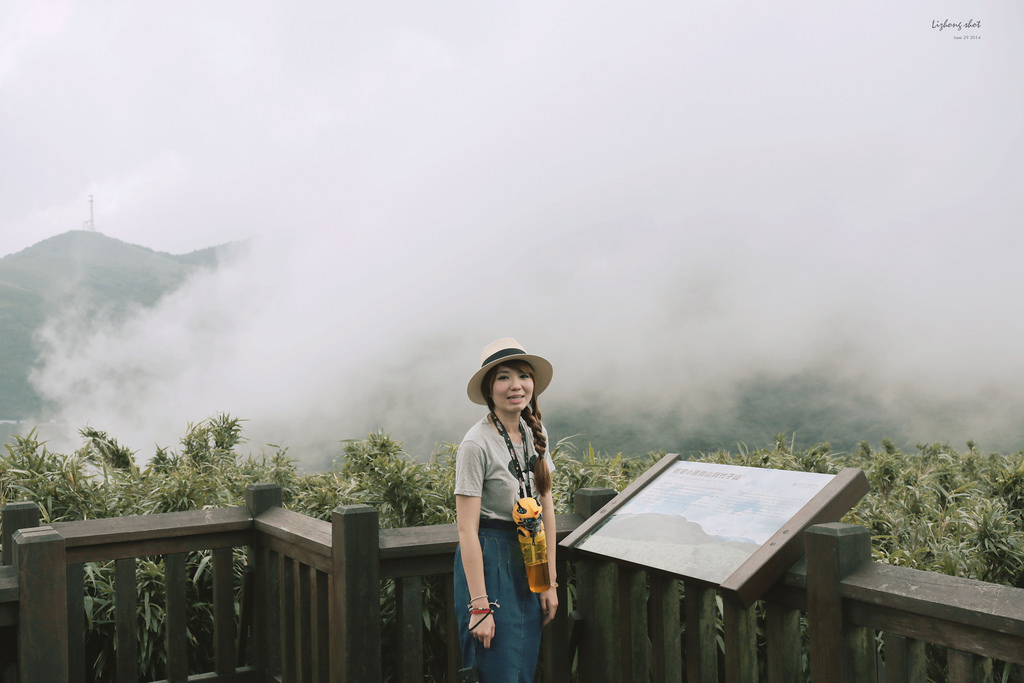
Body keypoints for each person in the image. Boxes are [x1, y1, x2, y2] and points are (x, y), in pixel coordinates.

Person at [453, 338, 559, 682]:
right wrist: (480, 606)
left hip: (530, 556)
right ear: (489, 389)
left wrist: (550, 582)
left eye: (523, 376)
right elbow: (466, 529)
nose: (516, 386)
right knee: (496, 669)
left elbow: (547, 509)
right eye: (503, 377)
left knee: (523, 666)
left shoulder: (535, 432)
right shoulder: (476, 443)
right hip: (490, 560)